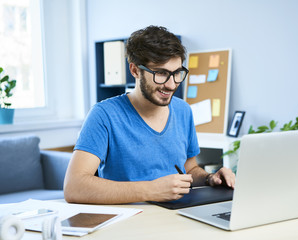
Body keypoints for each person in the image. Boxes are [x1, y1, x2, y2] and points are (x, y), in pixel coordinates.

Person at [64, 25, 235, 204]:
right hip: (128, 221)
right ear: (135, 70)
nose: (171, 85)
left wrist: (210, 178)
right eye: (161, 73)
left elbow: (189, 168)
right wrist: (151, 190)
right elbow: (74, 187)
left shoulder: (183, 111)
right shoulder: (104, 115)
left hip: (177, 217)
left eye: (177, 73)